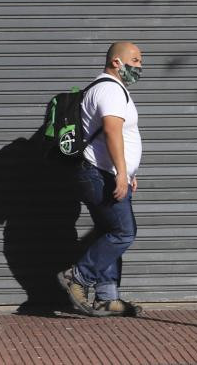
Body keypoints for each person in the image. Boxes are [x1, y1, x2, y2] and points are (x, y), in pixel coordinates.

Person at [57, 41, 145, 317]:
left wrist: (128, 171)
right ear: (116, 62)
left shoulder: (105, 88)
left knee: (109, 231)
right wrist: (121, 172)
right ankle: (78, 276)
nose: (139, 66)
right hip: (101, 174)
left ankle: (107, 296)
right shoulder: (110, 89)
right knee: (123, 232)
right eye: (135, 60)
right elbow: (111, 132)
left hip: (101, 173)